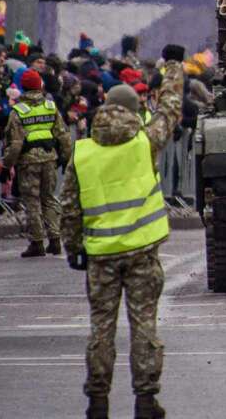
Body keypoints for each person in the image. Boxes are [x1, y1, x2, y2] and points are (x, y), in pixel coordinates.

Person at [59, 45, 185, 419]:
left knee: (101, 328)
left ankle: (98, 400)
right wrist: (174, 66)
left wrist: (73, 248)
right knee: (144, 325)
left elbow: (70, 208)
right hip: (143, 253)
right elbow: (171, 107)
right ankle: (146, 400)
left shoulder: (83, 153)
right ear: (133, 112)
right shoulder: (145, 143)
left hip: (100, 256)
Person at [3, 68, 73, 256]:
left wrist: (6, 166)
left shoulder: (18, 111)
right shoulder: (50, 107)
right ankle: (55, 239)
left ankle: (37, 242)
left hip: (28, 163)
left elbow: (15, 144)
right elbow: (65, 136)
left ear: (23, 87)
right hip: (50, 159)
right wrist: (67, 158)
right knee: (49, 198)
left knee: (32, 202)